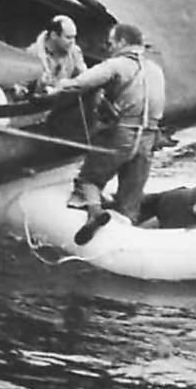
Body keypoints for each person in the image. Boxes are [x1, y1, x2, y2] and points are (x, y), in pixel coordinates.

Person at [55, 22, 166, 244]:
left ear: (123, 43)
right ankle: (127, 228)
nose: (109, 47)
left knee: (89, 179)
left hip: (122, 134)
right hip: (148, 138)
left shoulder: (116, 65)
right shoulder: (155, 69)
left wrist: (57, 86)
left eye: (112, 42)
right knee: (130, 199)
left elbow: (80, 83)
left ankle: (94, 213)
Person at [30, 14, 86, 92]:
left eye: (74, 37)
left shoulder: (75, 52)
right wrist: (41, 85)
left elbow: (84, 77)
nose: (73, 42)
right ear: (54, 35)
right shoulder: (32, 54)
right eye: (68, 37)